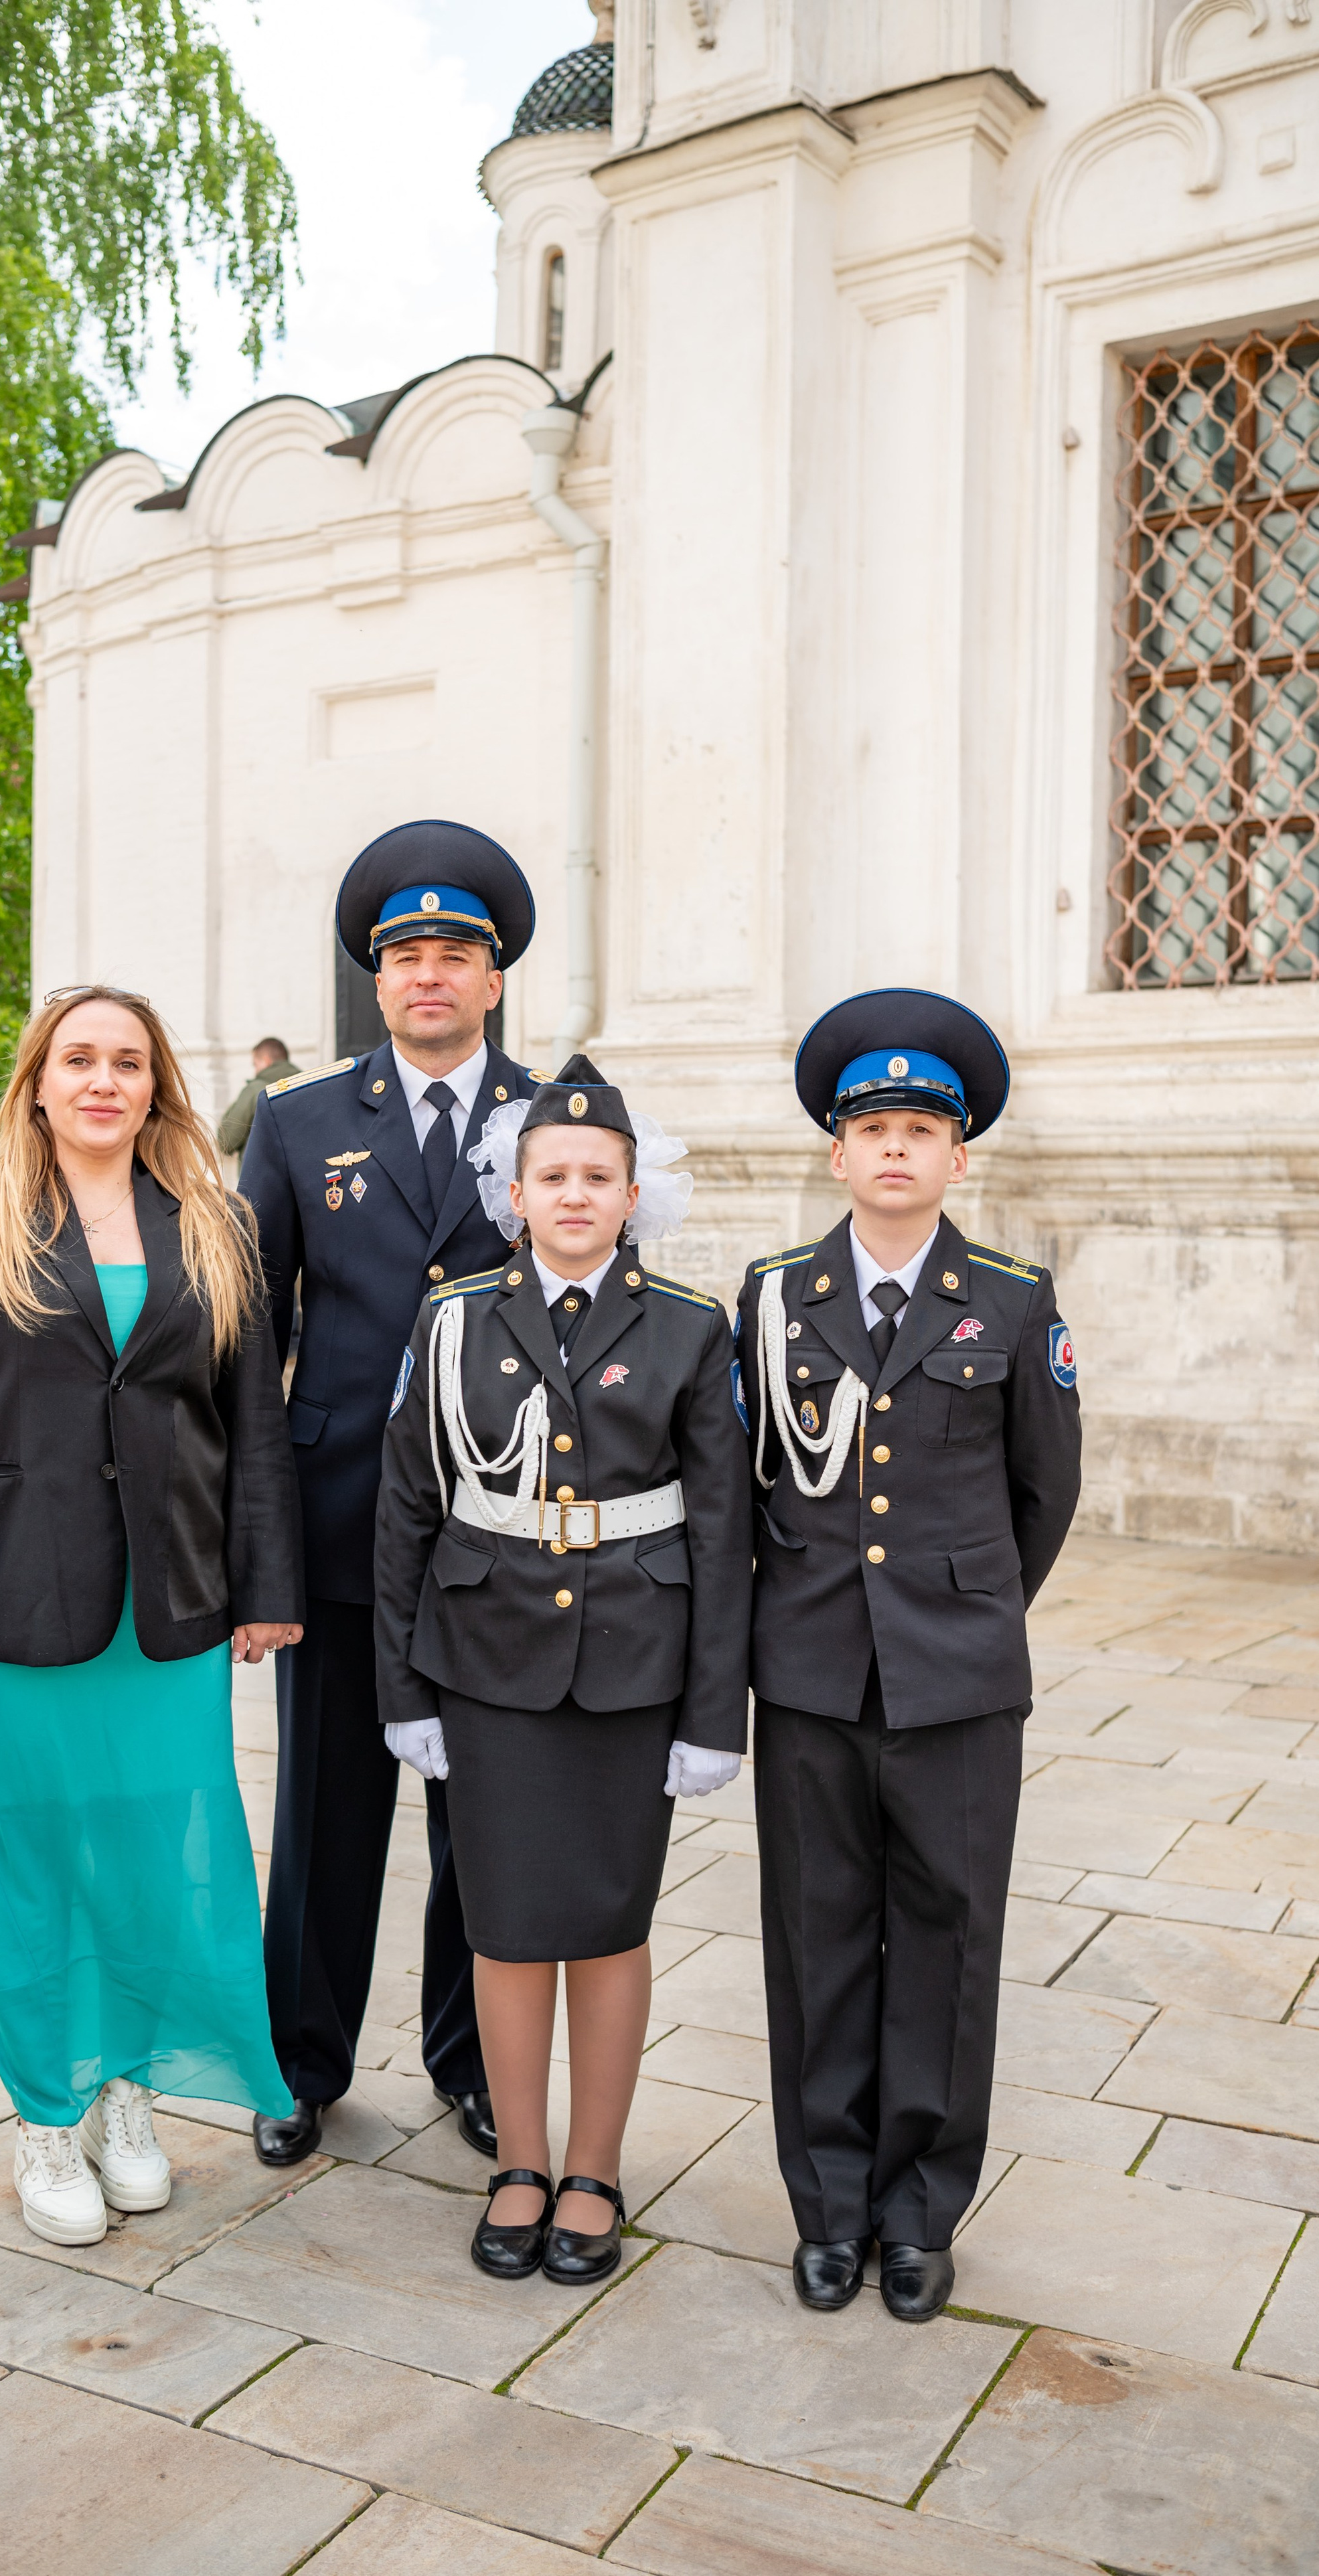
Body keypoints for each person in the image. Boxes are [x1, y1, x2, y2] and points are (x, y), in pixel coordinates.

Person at [0, 983, 305, 2249]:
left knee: (157, 1856)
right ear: (37, 1079)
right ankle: (42, 2109)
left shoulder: (217, 1222)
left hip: (169, 1601)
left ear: (158, 1084)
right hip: (15, 1604)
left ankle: (127, 2088)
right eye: (79, 1059)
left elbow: (255, 1424)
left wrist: (268, 1587)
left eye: (128, 1060)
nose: (103, 1080)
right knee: (26, 1863)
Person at [737, 989, 1082, 2324]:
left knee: (943, 1939)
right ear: (834, 1152)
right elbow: (752, 1481)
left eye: (919, 1129)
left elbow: (1039, 1494)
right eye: (869, 1126)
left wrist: (961, 1610)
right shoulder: (774, 1298)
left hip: (953, 1681)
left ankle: (918, 2213)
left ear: (956, 1156)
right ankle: (827, 2206)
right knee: (816, 1937)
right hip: (813, 1672)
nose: (893, 1148)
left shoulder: (1006, 1300)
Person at [375, 1056, 750, 2281]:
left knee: (608, 1920)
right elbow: (407, 1510)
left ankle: (595, 2163)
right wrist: (401, 1690)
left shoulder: (693, 1328)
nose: (576, 1193)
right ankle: (518, 2158)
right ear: (515, 1191)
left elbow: (722, 1528)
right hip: (486, 1664)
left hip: (635, 1670)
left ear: (635, 1192)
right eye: (554, 1175)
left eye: (599, 1175)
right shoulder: (453, 1320)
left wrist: (713, 1711)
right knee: (506, 1921)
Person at [238, 819, 547, 2169]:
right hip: (337, 1518)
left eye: (454, 953)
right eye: (402, 953)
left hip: (497, 1530)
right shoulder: (301, 1121)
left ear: (493, 976)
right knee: (323, 1809)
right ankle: (296, 2062)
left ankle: (470, 2062)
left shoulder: (559, 1119)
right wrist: (255, 1551)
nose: (427, 974)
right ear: (377, 978)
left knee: (483, 1817)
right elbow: (250, 1337)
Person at [217, 1038, 302, 1159]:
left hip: (263, 1174)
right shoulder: (306, 1086)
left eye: (255, 1064)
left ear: (266, 1061)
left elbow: (227, 1141)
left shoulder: (256, 1090)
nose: (255, 1071)